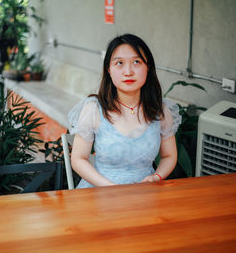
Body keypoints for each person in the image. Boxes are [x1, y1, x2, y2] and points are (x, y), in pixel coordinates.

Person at [68, 34, 181, 188]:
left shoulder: (160, 110)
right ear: (109, 69)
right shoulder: (94, 108)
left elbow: (169, 156)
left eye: (136, 62)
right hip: (99, 191)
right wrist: (110, 187)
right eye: (119, 63)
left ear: (148, 67)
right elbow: (78, 159)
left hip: (144, 193)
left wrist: (156, 177)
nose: (128, 71)